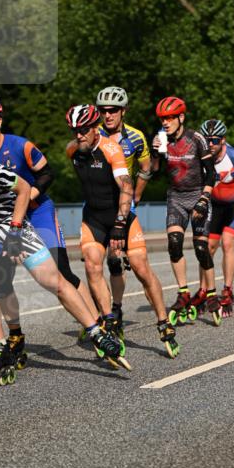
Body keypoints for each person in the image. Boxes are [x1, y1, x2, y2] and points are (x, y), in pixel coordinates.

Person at [0, 130, 128, 386]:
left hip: (11, 221)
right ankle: (0, 346)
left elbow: (23, 189)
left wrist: (16, 230)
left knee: (52, 280)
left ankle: (96, 332)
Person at [0, 95, 96, 367]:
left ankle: (97, 327)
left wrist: (27, 200)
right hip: (5, 221)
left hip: (37, 212)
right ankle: (15, 336)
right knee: (1, 280)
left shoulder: (20, 145)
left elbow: (47, 173)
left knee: (61, 272)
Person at [65, 104, 180, 357]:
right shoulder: (72, 150)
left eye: (84, 129)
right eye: (74, 130)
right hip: (93, 217)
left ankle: (163, 322)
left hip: (120, 215)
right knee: (92, 265)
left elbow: (126, 185)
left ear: (95, 128)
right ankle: (109, 321)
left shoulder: (111, 149)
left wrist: (119, 222)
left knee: (140, 267)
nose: (79, 134)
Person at [150, 96, 220, 325]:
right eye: (162, 119)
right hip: (176, 197)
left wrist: (204, 198)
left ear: (181, 117)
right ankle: (183, 292)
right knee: (174, 243)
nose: (166, 122)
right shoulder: (161, 138)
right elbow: (154, 172)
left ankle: (210, 292)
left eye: (170, 118)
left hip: (199, 194)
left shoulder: (196, 139)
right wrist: (154, 154)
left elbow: (212, 173)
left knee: (201, 247)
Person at [96, 86, 152, 331]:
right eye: (103, 111)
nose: (107, 115)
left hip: (123, 203)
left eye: (113, 110)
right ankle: (106, 311)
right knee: (100, 262)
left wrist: (137, 195)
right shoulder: (93, 134)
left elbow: (146, 168)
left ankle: (117, 309)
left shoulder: (137, 137)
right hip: (98, 205)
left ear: (123, 111)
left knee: (126, 262)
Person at [199, 119, 234, 317]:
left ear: (223, 140)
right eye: (207, 140)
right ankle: (204, 290)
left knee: (228, 242)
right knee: (207, 247)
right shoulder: (201, 156)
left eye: (214, 140)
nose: (210, 144)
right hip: (215, 204)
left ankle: (227, 290)